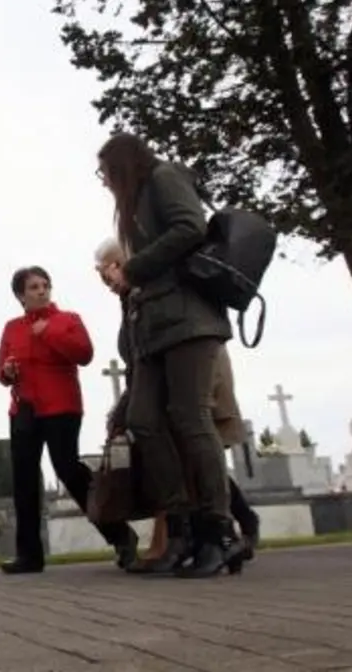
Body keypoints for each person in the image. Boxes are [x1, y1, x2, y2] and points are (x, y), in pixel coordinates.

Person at [95, 133, 240, 578]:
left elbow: (189, 227)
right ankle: (179, 527)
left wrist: (134, 269)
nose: (104, 182)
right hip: (155, 327)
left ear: (123, 164)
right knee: (143, 420)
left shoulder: (165, 175)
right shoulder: (137, 202)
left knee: (191, 417)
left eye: (106, 173)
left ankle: (218, 532)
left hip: (189, 320)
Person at [94, 239, 261, 562]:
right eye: (103, 278)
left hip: (193, 379)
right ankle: (197, 533)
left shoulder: (154, 289)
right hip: (161, 386)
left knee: (193, 447)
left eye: (109, 273)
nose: (109, 283)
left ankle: (218, 532)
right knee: (183, 452)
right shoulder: (133, 298)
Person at [0, 266, 139, 574]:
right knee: (24, 480)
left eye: (45, 285)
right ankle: (29, 555)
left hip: (61, 407)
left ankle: (120, 534)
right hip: (24, 409)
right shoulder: (11, 328)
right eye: (33, 287)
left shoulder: (67, 320)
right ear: (21, 295)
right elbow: (0, 371)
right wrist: (6, 372)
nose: (42, 291)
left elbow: (83, 353)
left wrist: (47, 331)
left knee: (68, 469)